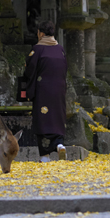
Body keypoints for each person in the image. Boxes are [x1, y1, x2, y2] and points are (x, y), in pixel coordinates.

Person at [23, 20, 67, 162]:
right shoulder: (60, 49)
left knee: (42, 120)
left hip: (43, 91)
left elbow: (29, 70)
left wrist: (28, 90)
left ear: (41, 33)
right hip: (59, 90)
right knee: (57, 118)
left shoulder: (37, 49)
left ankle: (45, 156)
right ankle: (59, 144)